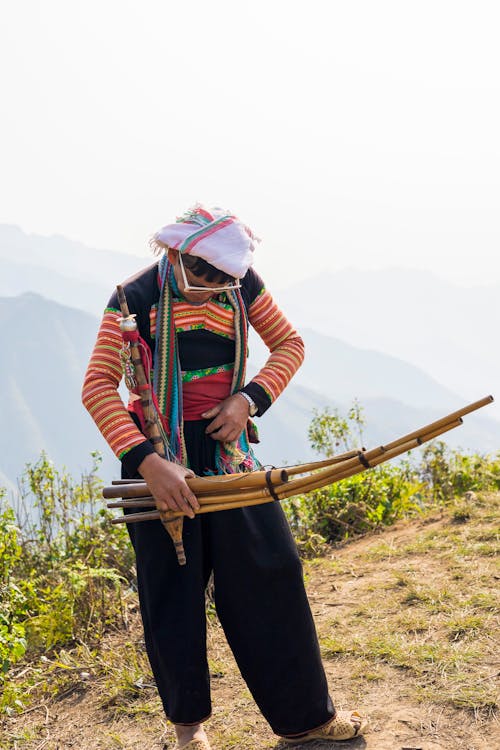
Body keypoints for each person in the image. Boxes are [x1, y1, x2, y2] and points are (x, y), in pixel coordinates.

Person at [82, 205, 365, 749]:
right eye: (204, 280)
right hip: (158, 460)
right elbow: (98, 388)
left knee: (272, 573)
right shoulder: (133, 299)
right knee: (173, 594)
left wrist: (248, 400)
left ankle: (307, 722)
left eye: (222, 283)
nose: (212, 291)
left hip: (226, 455)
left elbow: (290, 345)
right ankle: (188, 732)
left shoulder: (242, 285)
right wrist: (149, 463)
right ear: (179, 257)